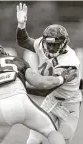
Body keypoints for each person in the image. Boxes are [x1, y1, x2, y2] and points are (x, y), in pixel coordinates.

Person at [0, 43, 77, 144]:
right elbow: (39, 82)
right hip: (22, 102)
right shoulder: (17, 60)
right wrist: (62, 78)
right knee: (51, 131)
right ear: (4, 53)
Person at [16, 3, 82, 144]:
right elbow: (23, 41)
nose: (51, 47)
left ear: (64, 43)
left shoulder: (70, 61)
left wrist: (20, 84)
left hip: (69, 105)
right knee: (33, 140)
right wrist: (21, 24)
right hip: (51, 99)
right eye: (49, 44)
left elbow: (43, 87)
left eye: (56, 44)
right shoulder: (42, 44)